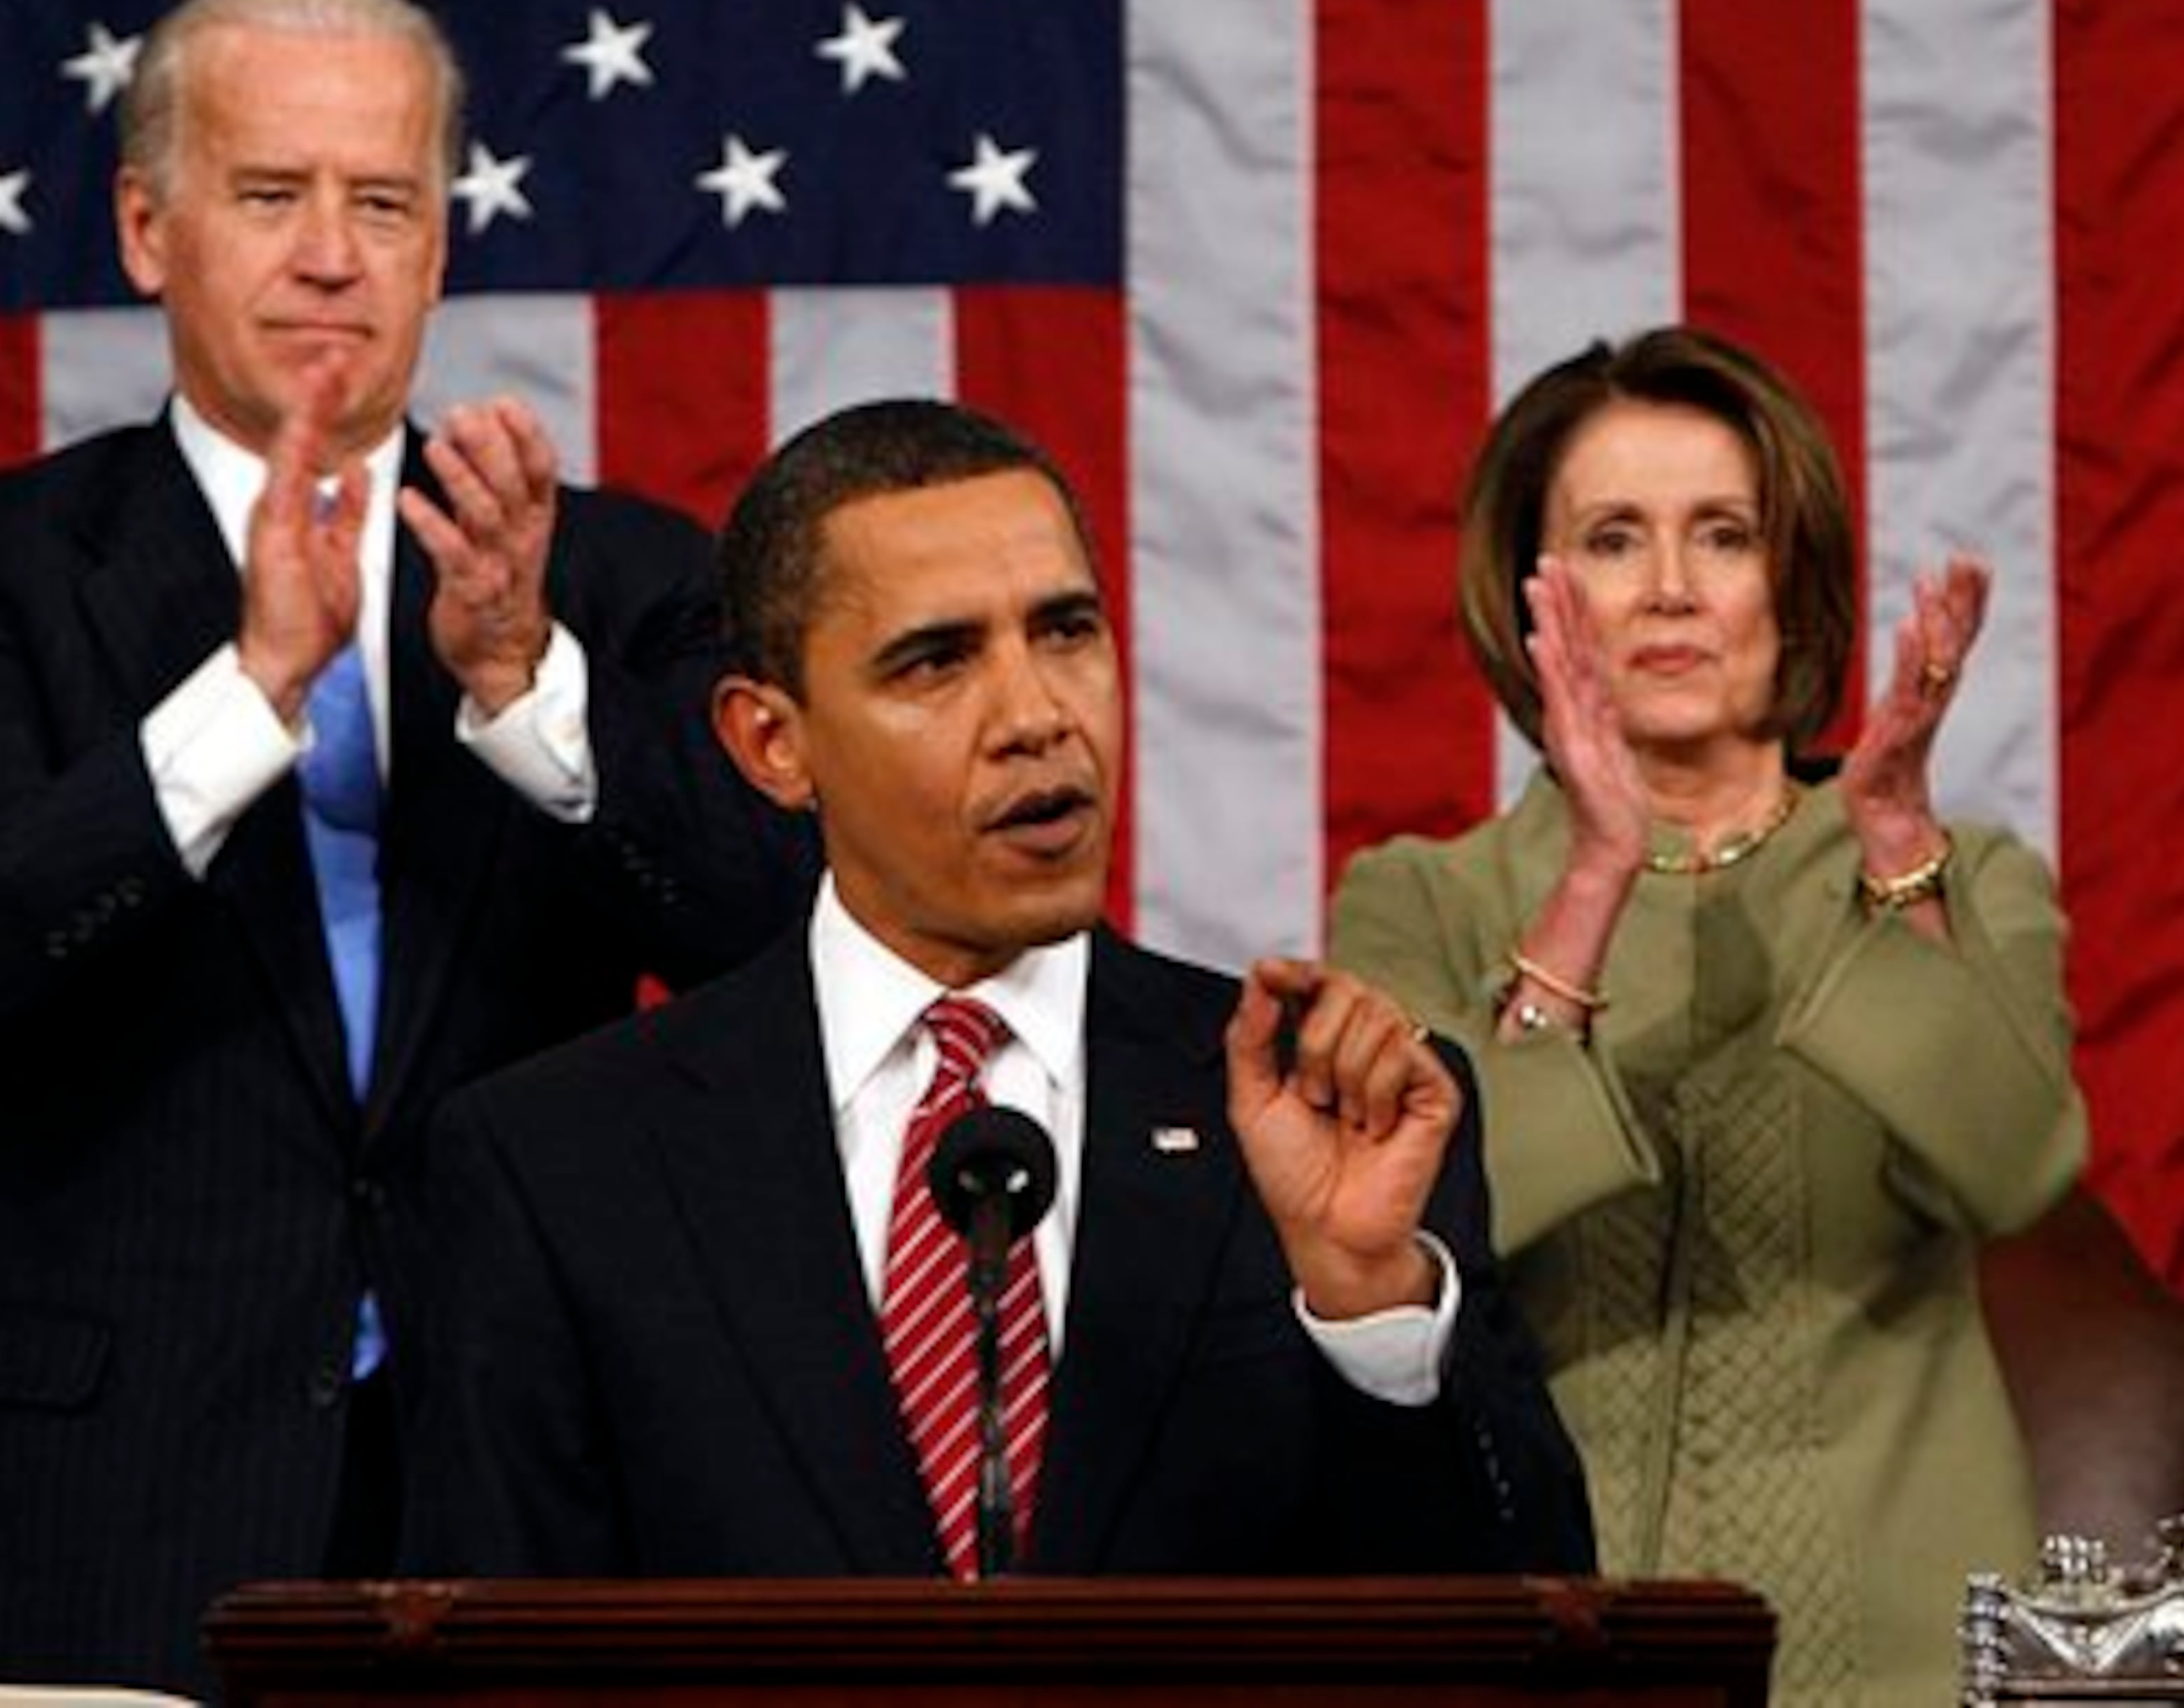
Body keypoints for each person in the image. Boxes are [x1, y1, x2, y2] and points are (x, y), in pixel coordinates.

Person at [0, 0, 815, 1698]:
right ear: (148, 229)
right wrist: (249, 693)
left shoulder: (621, 579)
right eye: (272, 195)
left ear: (440, 246)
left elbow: (777, 944)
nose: (334, 254)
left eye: (384, 202)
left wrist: (525, 693)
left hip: (528, 1474)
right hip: (113, 1492)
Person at [404, 398, 1596, 1582]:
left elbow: (1524, 1634)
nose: (1037, 716)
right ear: (773, 742)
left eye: (1068, 631)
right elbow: (502, 1665)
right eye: (937, 660)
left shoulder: (1325, 1114)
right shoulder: (561, 1167)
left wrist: (1369, 1307)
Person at [1327, 326, 2088, 1708]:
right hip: (1533, 1644)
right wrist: (1596, 875)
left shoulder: (1954, 872)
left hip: (1906, 1654)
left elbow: (2014, 1159)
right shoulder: (1419, 901)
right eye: (1616, 538)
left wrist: (1895, 846)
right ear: (1533, 592)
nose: (1672, 588)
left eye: (1724, 535)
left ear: (1789, 584)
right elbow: (1420, 1224)